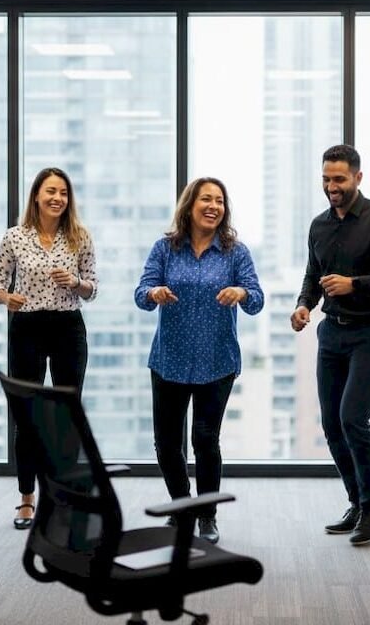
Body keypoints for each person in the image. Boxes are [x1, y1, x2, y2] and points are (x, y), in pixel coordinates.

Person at [291, 144, 370, 546]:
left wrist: (354, 284)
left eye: (339, 179)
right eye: (326, 179)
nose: (331, 187)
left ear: (358, 178)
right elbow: (314, 273)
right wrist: (303, 306)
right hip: (332, 332)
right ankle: (357, 503)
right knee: (331, 423)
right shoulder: (318, 225)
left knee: (353, 418)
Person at [134, 177, 264, 545]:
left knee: (205, 440)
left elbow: (257, 300)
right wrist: (154, 292)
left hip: (216, 361)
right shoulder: (165, 248)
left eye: (219, 201)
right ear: (190, 206)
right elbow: (140, 294)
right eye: (206, 199)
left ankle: (207, 515)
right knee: (167, 443)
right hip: (169, 360)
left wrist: (241, 291)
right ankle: (182, 508)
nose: (213, 206)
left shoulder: (235, 252)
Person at [0, 167, 97, 530]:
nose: (57, 199)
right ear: (36, 195)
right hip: (28, 328)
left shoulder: (79, 237)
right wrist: (8, 297)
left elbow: (93, 288)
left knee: (67, 417)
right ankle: (26, 500)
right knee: (28, 417)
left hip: (68, 328)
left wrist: (76, 281)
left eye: (63, 193)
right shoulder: (15, 237)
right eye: (51, 191)